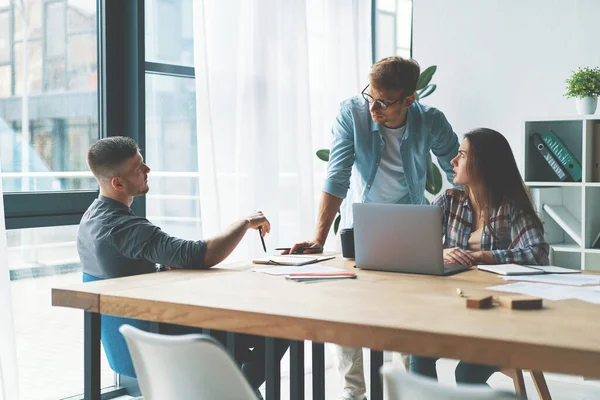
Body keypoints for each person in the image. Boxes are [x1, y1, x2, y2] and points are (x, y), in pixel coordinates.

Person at [286, 56, 460, 400]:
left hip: (412, 225)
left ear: (409, 100)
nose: (374, 107)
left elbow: (458, 169)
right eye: (370, 96)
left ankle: (414, 391)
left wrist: (467, 224)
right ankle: (354, 394)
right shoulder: (352, 113)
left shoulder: (431, 120)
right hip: (360, 226)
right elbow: (336, 174)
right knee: (348, 312)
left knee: (409, 315)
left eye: (383, 101)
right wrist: (319, 237)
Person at [77, 136, 287, 396]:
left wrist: (158, 271)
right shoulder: (126, 228)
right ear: (117, 183)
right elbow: (199, 254)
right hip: (169, 343)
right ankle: (232, 392)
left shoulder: (90, 218)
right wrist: (245, 222)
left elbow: (122, 273)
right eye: (137, 168)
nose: (147, 170)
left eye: (143, 162)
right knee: (285, 328)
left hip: (131, 342)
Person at [410, 128, 549, 385]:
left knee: (466, 374)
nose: (453, 161)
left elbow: (538, 254)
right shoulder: (448, 202)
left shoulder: (511, 207)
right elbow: (413, 245)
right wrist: (441, 252)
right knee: (419, 351)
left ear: (483, 164)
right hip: (456, 311)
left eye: (461, 155)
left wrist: (482, 256)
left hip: (501, 319)